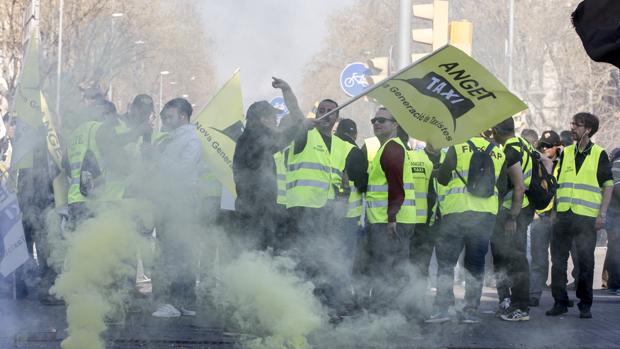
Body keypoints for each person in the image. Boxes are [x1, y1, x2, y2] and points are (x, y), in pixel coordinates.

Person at [427, 134, 506, 324]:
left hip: (457, 213)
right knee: (476, 264)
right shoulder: (498, 153)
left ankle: (443, 309)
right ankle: (470, 310)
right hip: (485, 215)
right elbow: (503, 187)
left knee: (446, 261)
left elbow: (444, 179)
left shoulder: (458, 147)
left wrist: (438, 170)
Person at [546, 113, 614, 319]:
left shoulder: (599, 154)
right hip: (564, 215)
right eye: (572, 123)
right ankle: (560, 302)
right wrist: (554, 211)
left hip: (586, 217)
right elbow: (558, 185)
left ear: (588, 130)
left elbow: (608, 186)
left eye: (577, 125)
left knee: (585, 262)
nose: (572, 127)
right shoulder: (565, 153)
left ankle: (585, 304)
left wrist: (602, 214)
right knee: (558, 261)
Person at [233, 77, 305, 249]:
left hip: (262, 211)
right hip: (254, 213)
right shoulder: (253, 138)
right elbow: (283, 138)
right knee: (255, 255)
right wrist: (300, 126)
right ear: (262, 119)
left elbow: (295, 124)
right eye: (273, 117)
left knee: (261, 256)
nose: (276, 121)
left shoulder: (251, 137)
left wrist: (287, 92)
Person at [150, 98, 204, 318]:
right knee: (177, 250)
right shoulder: (171, 139)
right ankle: (183, 301)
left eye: (169, 117)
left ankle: (177, 301)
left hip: (182, 202)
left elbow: (182, 170)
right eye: (164, 117)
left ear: (183, 116)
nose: (165, 121)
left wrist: (158, 158)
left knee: (178, 251)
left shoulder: (192, 138)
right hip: (170, 201)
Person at [364, 107, 416, 313]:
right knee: (392, 268)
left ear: (395, 125)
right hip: (391, 220)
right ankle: (391, 314)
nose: (377, 123)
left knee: (386, 269)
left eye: (383, 120)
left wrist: (391, 217)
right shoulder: (389, 147)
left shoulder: (392, 148)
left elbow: (396, 185)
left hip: (390, 223)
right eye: (374, 120)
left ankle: (384, 314)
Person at [491, 118, 533, 322]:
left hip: (513, 212)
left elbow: (519, 186)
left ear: (496, 130)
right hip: (520, 210)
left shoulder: (510, 150)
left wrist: (512, 217)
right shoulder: (524, 144)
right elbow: (544, 161)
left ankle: (521, 308)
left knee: (515, 260)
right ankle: (510, 303)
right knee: (506, 258)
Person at [529, 130, 561, 306]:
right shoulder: (537, 163)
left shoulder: (565, 163)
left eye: (548, 146)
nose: (545, 149)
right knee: (538, 258)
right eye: (542, 145)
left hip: (559, 217)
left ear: (557, 147)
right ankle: (535, 294)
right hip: (540, 216)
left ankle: (559, 298)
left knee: (558, 259)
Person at [603, 148, 620, 295]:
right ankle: (615, 283)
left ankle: (611, 281)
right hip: (615, 215)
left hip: (613, 214)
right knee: (616, 248)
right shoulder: (618, 161)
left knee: (614, 248)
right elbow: (617, 187)